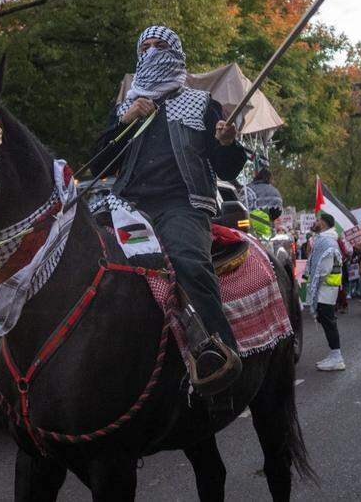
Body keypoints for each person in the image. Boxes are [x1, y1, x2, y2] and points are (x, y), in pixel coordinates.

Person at [91, 25, 247, 395]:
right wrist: (125, 121)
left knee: (187, 260)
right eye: (145, 47)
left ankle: (218, 350)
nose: (152, 51)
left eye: (160, 45)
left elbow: (227, 167)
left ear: (176, 52)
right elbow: (98, 165)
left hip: (183, 204)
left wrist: (226, 143)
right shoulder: (125, 108)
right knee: (89, 258)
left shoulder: (201, 103)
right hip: (128, 206)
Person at [305, 212, 346, 371]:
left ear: (323, 223)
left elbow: (324, 269)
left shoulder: (327, 242)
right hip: (325, 290)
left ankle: (337, 358)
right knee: (327, 321)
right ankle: (334, 354)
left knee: (329, 322)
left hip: (326, 290)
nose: (315, 222)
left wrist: (315, 287)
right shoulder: (323, 240)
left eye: (317, 220)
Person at [243, 164, 283, 240]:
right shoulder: (275, 191)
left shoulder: (248, 189)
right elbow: (277, 212)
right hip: (269, 231)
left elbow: (243, 209)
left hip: (251, 231)